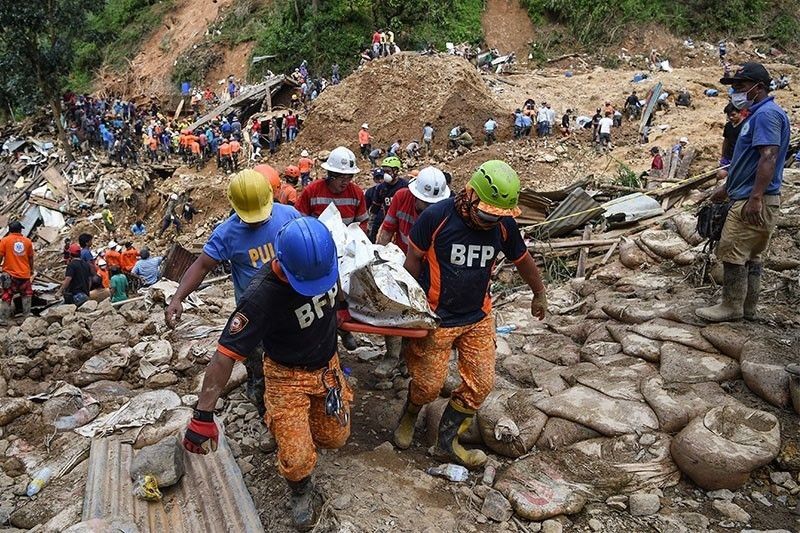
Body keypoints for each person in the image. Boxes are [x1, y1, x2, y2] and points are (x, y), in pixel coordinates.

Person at [183, 217, 349, 531]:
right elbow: (225, 355)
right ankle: (300, 487)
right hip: (287, 374)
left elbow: (335, 294)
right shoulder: (261, 298)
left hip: (328, 367)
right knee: (297, 457)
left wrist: (343, 312)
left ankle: (298, 432)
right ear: (283, 265)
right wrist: (202, 416)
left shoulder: (322, 263)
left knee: (334, 437)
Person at [392, 161, 548, 468]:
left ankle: (447, 443)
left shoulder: (502, 226)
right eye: (487, 214)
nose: (490, 222)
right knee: (428, 385)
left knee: (480, 383)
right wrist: (404, 309)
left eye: (498, 217)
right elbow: (412, 264)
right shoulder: (435, 218)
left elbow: (522, 258)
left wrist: (539, 292)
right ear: (470, 194)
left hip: (477, 316)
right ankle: (411, 412)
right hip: (437, 316)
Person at [166, 169, 301, 419]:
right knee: (259, 364)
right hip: (255, 311)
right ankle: (265, 410)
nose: (257, 221)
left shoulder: (289, 216)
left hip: (292, 303)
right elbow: (201, 266)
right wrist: (177, 298)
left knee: (293, 359)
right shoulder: (227, 234)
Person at [697, 63, 790, 323]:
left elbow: (768, 157)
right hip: (748, 194)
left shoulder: (766, 116)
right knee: (751, 255)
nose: (735, 92)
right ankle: (747, 308)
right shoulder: (757, 115)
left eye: (740, 87)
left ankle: (731, 306)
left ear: (757, 87)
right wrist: (726, 189)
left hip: (753, 199)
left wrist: (755, 198)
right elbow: (747, 162)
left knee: (732, 251)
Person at [296, 146, 368, 228]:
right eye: (342, 178)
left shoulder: (356, 193)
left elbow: (363, 223)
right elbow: (298, 222)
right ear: (331, 175)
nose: (345, 182)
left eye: (349, 177)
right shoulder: (312, 191)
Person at [0, 221, 34, 322]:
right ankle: (27, 317)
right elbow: (31, 258)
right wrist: (31, 270)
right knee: (26, 295)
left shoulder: (4, 241)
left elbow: (0, 256)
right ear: (20, 230)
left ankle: (3, 320)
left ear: (9, 230)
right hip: (24, 274)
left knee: (6, 296)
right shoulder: (27, 242)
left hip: (9, 275)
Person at [369, 156, 408, 242]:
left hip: (402, 224)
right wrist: (370, 225)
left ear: (396, 171)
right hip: (387, 222)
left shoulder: (405, 186)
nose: (385, 174)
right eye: (384, 171)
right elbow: (375, 208)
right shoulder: (381, 188)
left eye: (388, 171)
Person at [719, 103, 746, 180]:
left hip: (741, 158)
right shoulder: (728, 126)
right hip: (729, 157)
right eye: (728, 115)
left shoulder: (746, 126)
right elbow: (726, 141)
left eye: (733, 115)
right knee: (720, 175)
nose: (731, 117)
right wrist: (723, 155)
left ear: (740, 113)